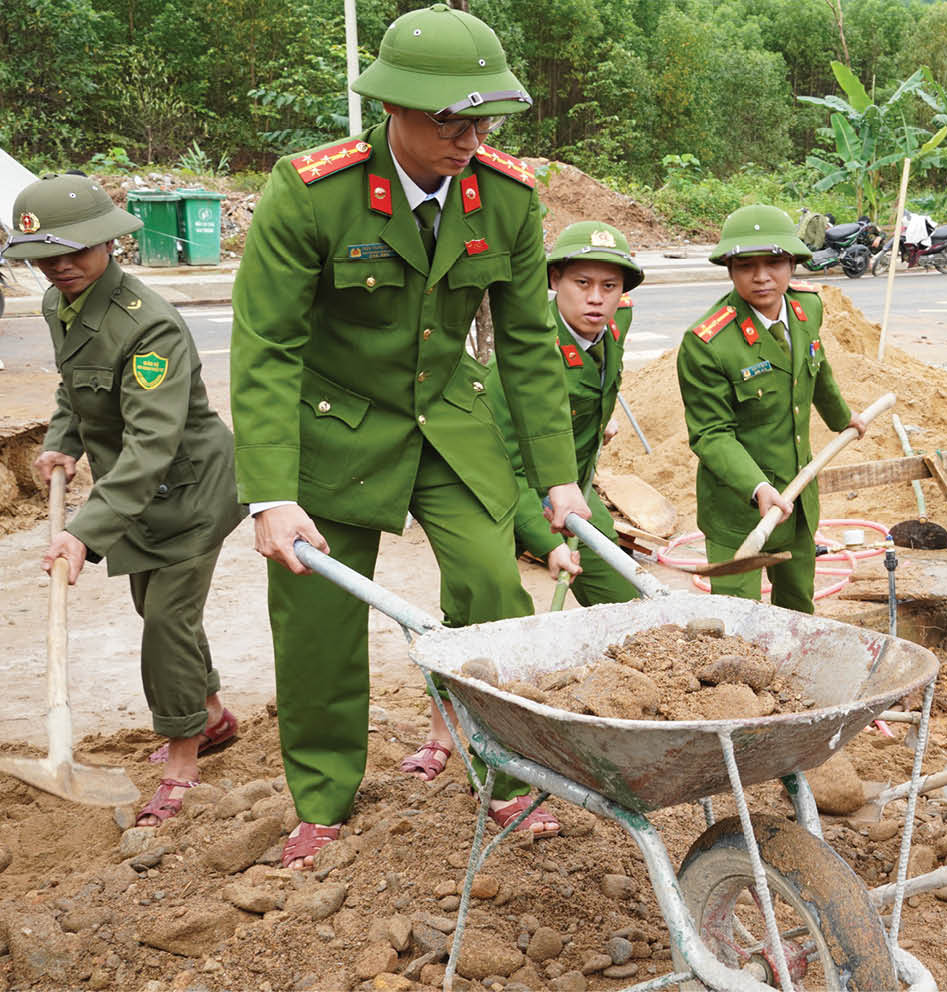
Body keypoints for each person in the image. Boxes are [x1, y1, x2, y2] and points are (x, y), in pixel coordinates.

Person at [231, 3, 589, 868]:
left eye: (483, 122)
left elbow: (528, 344)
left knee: (493, 592)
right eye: (450, 122)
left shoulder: (505, 196)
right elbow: (267, 347)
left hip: (451, 420)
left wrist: (558, 476)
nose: (469, 140)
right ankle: (323, 799)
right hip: (334, 427)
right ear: (391, 105)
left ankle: (507, 775)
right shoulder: (313, 191)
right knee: (318, 621)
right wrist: (271, 495)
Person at [9, 174, 244, 827]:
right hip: (135, 493)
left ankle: (183, 761)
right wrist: (63, 443)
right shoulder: (60, 305)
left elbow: (151, 445)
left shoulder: (149, 326)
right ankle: (212, 715)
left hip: (189, 491)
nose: (60, 266)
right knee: (157, 609)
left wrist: (83, 533)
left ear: (109, 242)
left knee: (167, 620)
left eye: (75, 251)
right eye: (44, 256)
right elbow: (75, 388)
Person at [676, 204, 867, 612]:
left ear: (793, 264)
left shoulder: (807, 308)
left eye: (774, 263)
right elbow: (711, 435)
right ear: (729, 269)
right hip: (738, 510)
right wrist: (759, 488)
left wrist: (841, 417)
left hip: (798, 501)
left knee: (798, 609)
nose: (762, 276)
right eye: (746, 265)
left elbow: (816, 366)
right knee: (737, 620)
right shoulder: (708, 343)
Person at [493, 220, 643, 607]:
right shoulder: (525, 356)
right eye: (582, 283)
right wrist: (546, 543)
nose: (596, 299)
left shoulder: (613, 325)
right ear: (555, 279)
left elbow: (591, 385)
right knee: (490, 605)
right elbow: (505, 469)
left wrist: (598, 419)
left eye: (609, 286)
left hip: (575, 488)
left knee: (625, 601)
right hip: (505, 495)